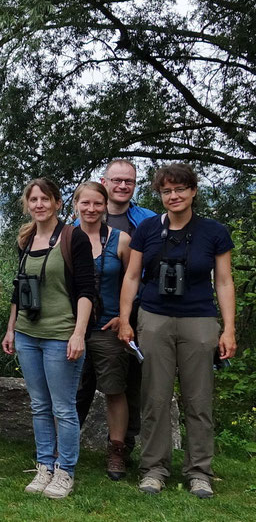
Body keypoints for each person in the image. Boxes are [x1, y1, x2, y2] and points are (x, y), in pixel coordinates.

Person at [118, 162, 237, 499]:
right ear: (160, 194)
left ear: (193, 191)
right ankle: (154, 469)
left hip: (199, 319)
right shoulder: (147, 230)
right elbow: (131, 276)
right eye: (167, 190)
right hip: (154, 318)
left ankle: (200, 471)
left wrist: (228, 329)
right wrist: (126, 319)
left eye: (180, 189)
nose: (173, 196)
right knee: (154, 398)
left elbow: (225, 281)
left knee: (198, 399)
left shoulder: (214, 232)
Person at [1, 177, 96, 499]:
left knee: (63, 408)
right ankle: (45, 466)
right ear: (27, 204)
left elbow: (86, 289)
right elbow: (19, 287)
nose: (39, 204)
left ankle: (65, 470)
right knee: (39, 405)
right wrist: (11, 327)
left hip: (61, 335)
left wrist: (79, 334)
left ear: (57, 202)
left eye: (45, 199)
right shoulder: (26, 238)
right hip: (28, 334)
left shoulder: (74, 237)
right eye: (33, 199)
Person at [76, 159, 155, 445]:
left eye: (129, 181)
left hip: (131, 316)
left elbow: (143, 274)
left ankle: (123, 445)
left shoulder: (147, 220)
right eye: (117, 180)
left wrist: (127, 314)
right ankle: (67, 447)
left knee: (126, 384)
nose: (122, 186)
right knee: (81, 385)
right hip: (82, 321)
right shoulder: (77, 225)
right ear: (104, 182)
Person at [72, 181, 133, 480]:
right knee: (73, 390)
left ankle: (117, 450)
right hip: (72, 328)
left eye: (98, 203)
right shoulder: (66, 238)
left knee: (114, 389)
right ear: (76, 204)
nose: (91, 209)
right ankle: (63, 447)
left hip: (108, 327)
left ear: (106, 205)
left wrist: (124, 317)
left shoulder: (121, 240)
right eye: (86, 203)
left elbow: (136, 281)